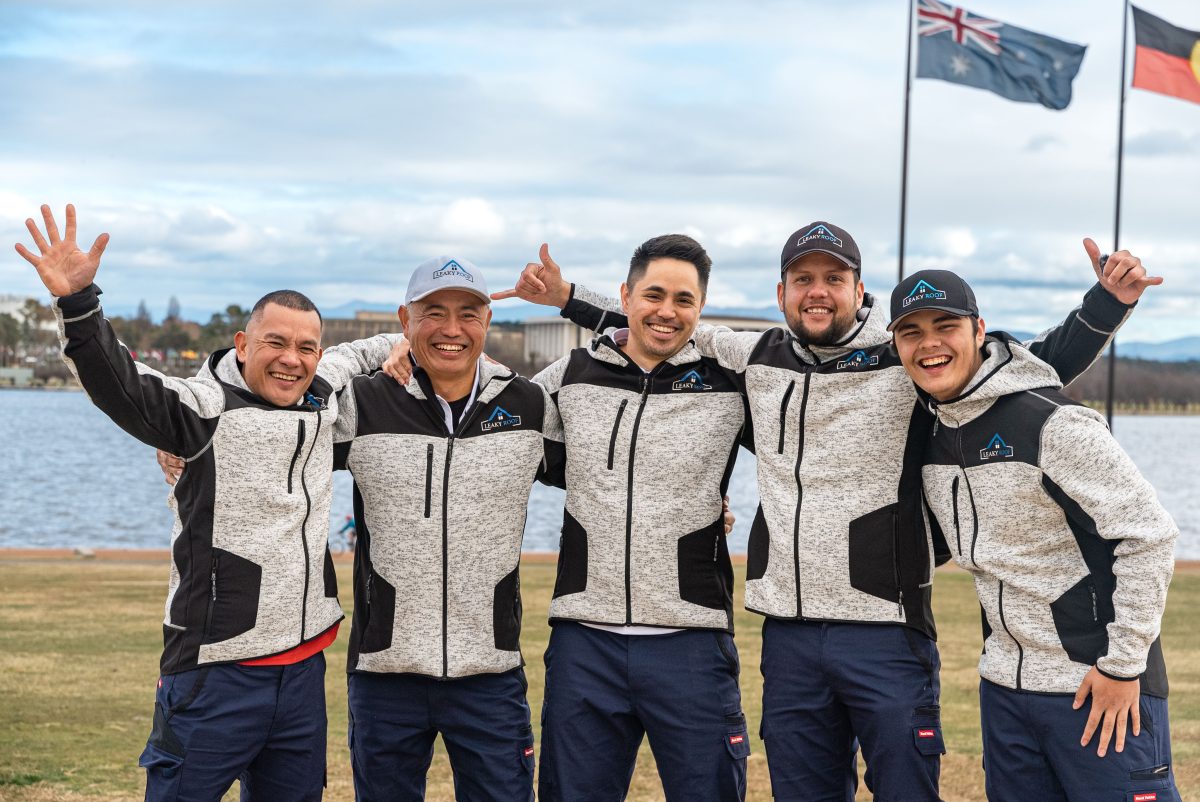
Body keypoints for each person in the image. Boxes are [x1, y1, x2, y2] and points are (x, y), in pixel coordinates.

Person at [501, 222, 1159, 801]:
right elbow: (662, 327)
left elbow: (1023, 368)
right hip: (788, 636)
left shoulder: (903, 356)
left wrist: (1106, 304)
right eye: (803, 278)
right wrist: (565, 301)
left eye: (833, 278)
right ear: (782, 293)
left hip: (885, 631)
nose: (818, 290)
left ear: (857, 288)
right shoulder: (754, 355)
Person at [17, 204, 395, 801]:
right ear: (243, 343)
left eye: (306, 346)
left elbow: (377, 346)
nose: (292, 358)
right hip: (214, 673)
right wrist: (80, 303)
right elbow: (121, 383)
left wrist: (417, 343)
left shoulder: (324, 391)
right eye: (275, 342)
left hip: (302, 673)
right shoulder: (200, 408)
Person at [889, 268, 1180, 802]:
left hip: (1096, 689)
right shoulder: (933, 430)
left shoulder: (1053, 423)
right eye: (911, 332)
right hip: (1004, 690)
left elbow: (1149, 536)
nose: (929, 343)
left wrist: (1121, 666)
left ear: (979, 331)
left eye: (945, 325)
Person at [490, 235, 752, 802]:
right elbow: (483, 422)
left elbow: (805, 404)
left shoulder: (730, 379)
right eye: (653, 294)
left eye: (685, 300)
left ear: (701, 310)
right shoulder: (571, 374)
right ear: (625, 295)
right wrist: (403, 352)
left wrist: (568, 298)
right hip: (586, 644)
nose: (667, 311)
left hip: (693, 642)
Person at [333, 256, 564, 802]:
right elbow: (274, 425)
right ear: (404, 319)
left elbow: (611, 480)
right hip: (384, 671)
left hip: (491, 673)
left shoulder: (528, 405)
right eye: (433, 313)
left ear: (488, 322)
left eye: (468, 313)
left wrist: (703, 500)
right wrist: (179, 449)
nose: (452, 330)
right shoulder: (363, 402)